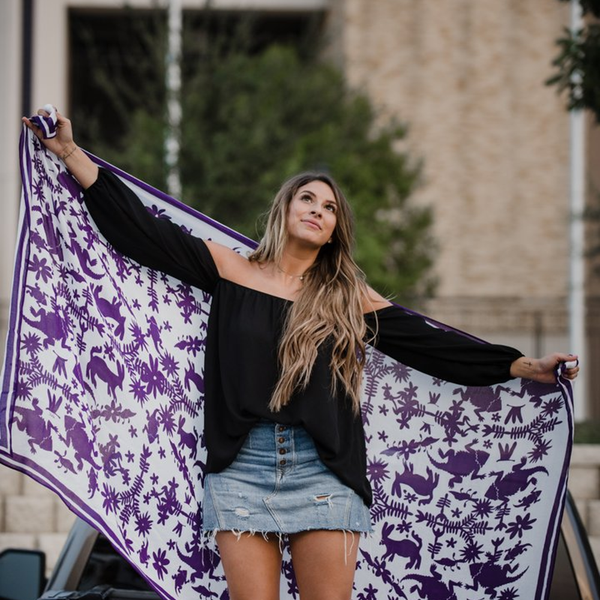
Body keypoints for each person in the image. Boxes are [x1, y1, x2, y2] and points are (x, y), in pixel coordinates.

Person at [23, 107, 579, 600]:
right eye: (307, 199)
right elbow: (139, 232)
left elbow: (431, 346)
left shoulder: (346, 296)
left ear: (336, 228)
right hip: (241, 468)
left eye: (330, 207)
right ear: (284, 208)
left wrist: (524, 365)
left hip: (323, 469)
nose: (317, 210)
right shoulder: (230, 269)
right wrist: (70, 152)